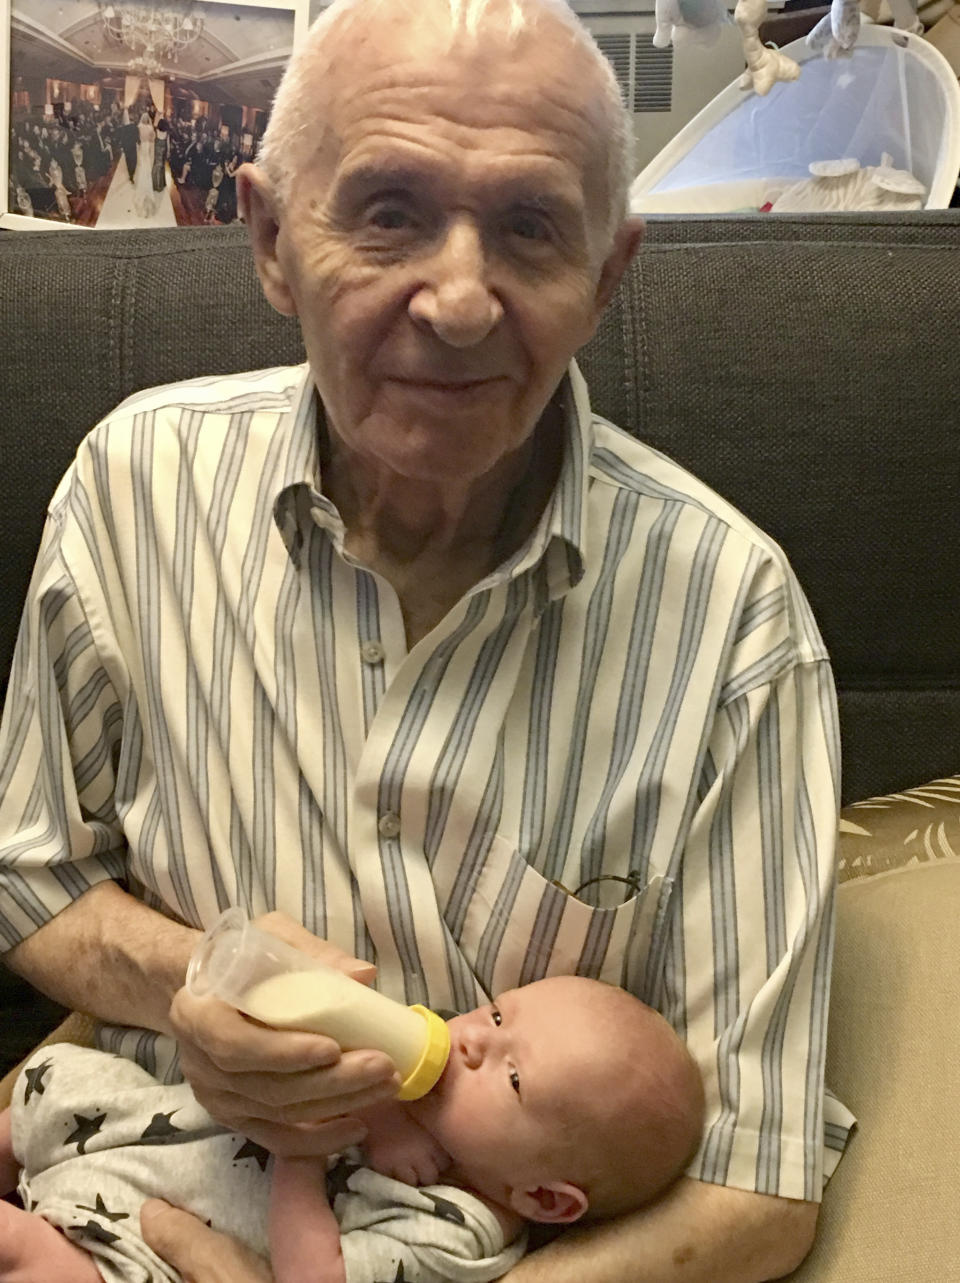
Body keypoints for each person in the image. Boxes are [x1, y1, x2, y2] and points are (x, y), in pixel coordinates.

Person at [0, 0, 852, 1279]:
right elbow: (32, 883)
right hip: (112, 1175)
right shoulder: (133, 489)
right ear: (275, 241)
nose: (460, 302)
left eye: (530, 228)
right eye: (389, 210)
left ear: (605, 277)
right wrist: (196, 976)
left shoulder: (735, 622)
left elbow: (756, 1187)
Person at [0, 977, 705, 1283]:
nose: (471, 1041)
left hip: (126, 1248)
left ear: (543, 1197)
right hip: (131, 1136)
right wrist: (383, 1107)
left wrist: (302, 1158)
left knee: (27, 1250)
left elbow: (317, 1276)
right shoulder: (416, 1091)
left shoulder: (454, 1233)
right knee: (50, 1088)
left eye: (513, 1076)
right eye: (496, 1014)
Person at [132, 111, 157, 218]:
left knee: (142, 168)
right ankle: (147, 190)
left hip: (142, 148)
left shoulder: (139, 127)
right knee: (147, 171)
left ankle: (141, 193)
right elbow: (153, 140)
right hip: (147, 149)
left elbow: (137, 140)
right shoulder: (151, 129)